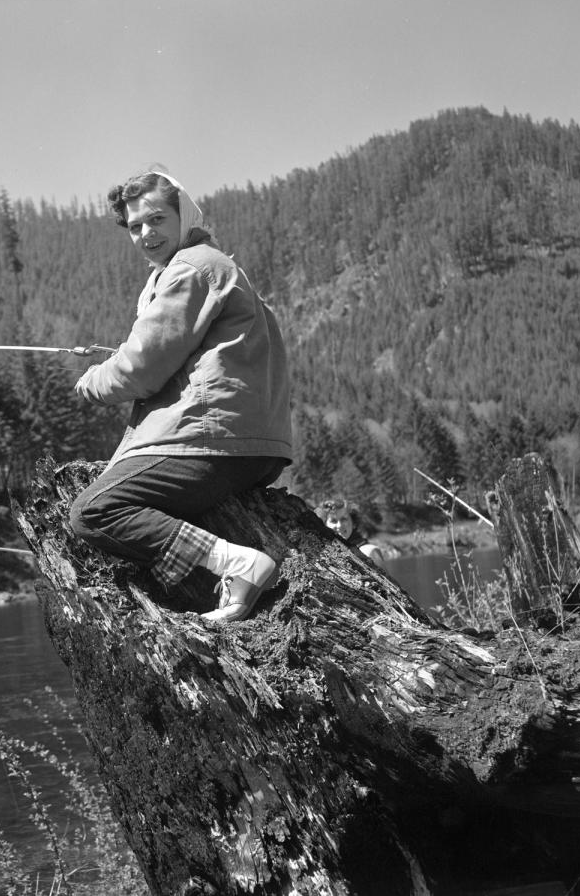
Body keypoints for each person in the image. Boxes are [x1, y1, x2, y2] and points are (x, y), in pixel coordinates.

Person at [69, 169, 293, 623]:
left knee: (93, 511)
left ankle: (239, 563)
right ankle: (236, 587)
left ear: (182, 214)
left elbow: (141, 369)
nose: (146, 234)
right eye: (135, 227)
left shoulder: (190, 267)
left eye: (156, 220)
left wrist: (90, 381)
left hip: (213, 441)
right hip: (249, 446)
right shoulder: (210, 266)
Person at [316, 499, 387, 566]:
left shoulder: (368, 551)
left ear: (353, 521)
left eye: (344, 519)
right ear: (325, 524)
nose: (339, 525)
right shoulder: (322, 551)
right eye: (333, 521)